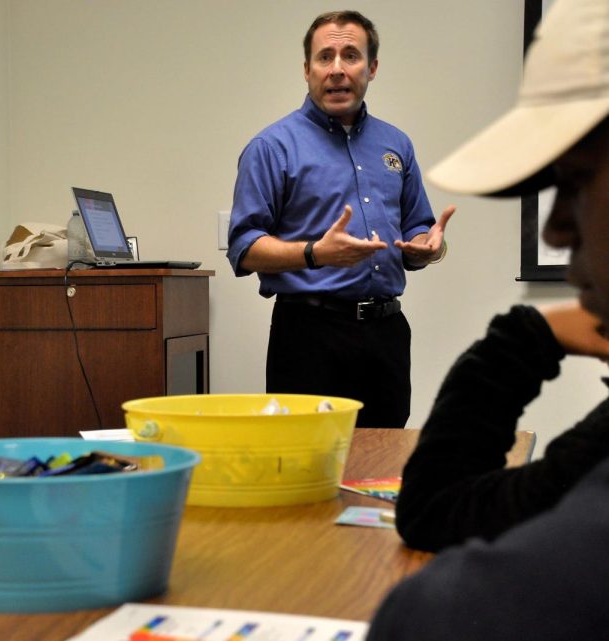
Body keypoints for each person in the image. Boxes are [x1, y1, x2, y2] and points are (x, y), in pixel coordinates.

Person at [366, 0, 609, 637]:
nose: (557, 225)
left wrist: (517, 335)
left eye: (578, 181)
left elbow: (430, 614)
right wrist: (533, 332)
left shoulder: (395, 148)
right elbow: (442, 513)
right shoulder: (272, 146)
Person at [226, 10, 454, 428]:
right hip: (309, 334)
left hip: (386, 334)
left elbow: (416, 229)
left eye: (350, 55)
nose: (336, 70)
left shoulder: (396, 144)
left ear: (372, 68)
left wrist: (426, 248)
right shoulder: (272, 146)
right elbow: (243, 247)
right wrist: (315, 253)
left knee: (380, 466)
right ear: (306, 69)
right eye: (324, 57)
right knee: (309, 469)